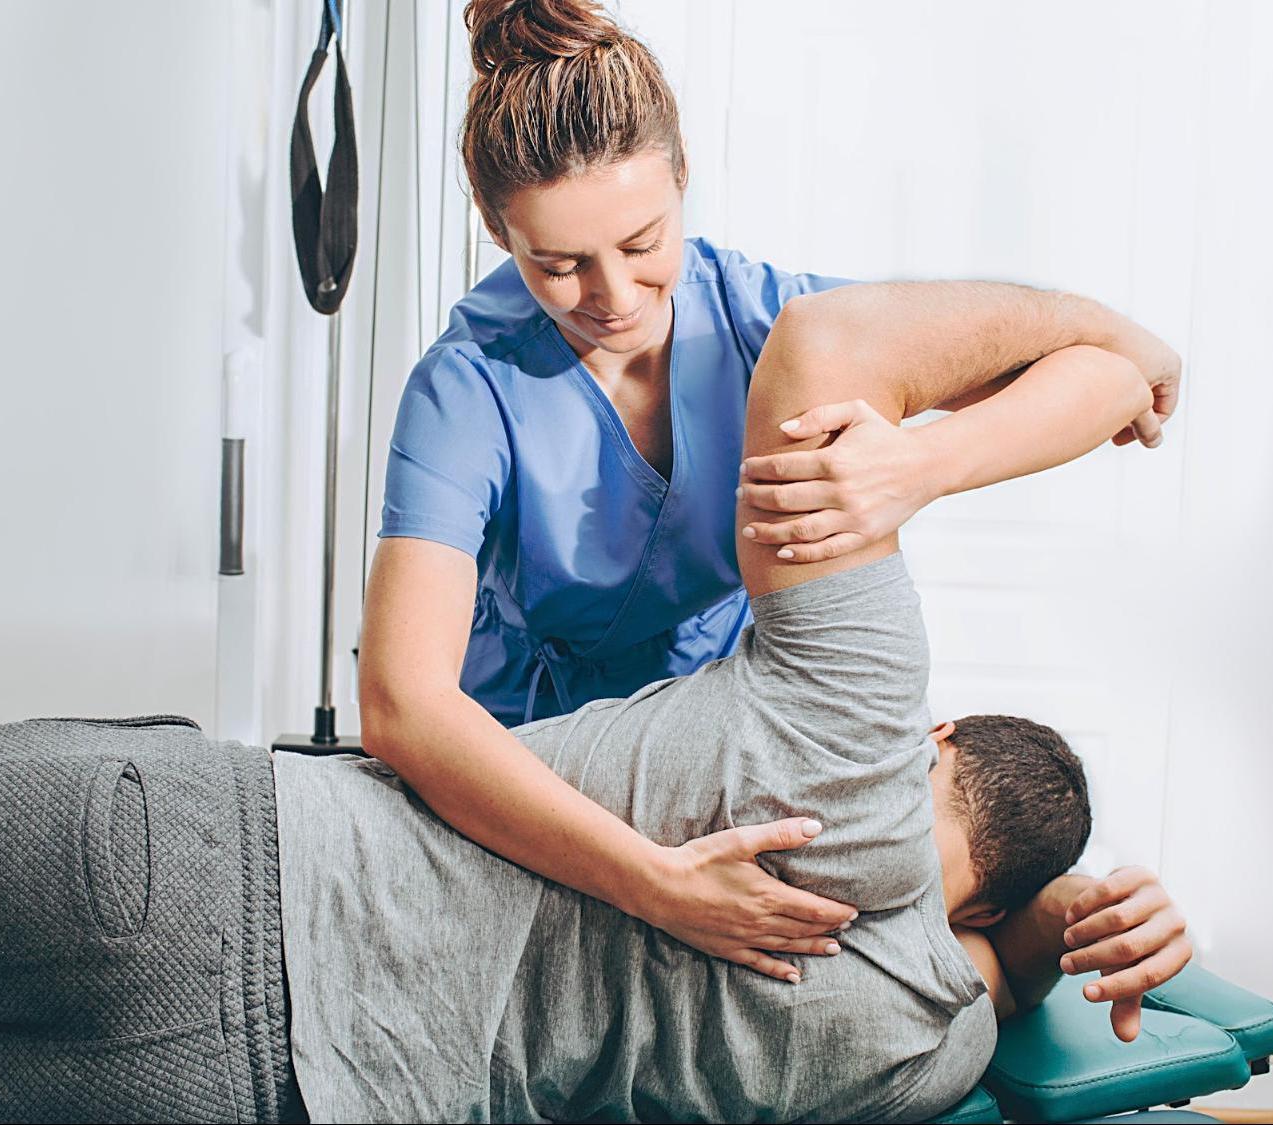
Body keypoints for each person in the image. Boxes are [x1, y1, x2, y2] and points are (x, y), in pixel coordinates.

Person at [0, 343, 1153, 1123]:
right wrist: (1058, 918)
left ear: (932, 729)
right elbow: (1001, 979)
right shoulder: (923, 1041)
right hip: (241, 1101)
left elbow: (831, 343)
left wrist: (1097, 362)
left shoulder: (849, 711)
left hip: (201, 866)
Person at [358, 0, 1191, 1010]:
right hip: (537, 778)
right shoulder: (465, 386)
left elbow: (1099, 378)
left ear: (681, 177)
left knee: (887, 943)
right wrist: (651, 884)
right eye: (559, 264)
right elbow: (402, 706)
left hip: (732, 749)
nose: (613, 294)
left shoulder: (764, 319)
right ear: (498, 231)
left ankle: (1086, 920)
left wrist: (919, 468)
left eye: (641, 240)